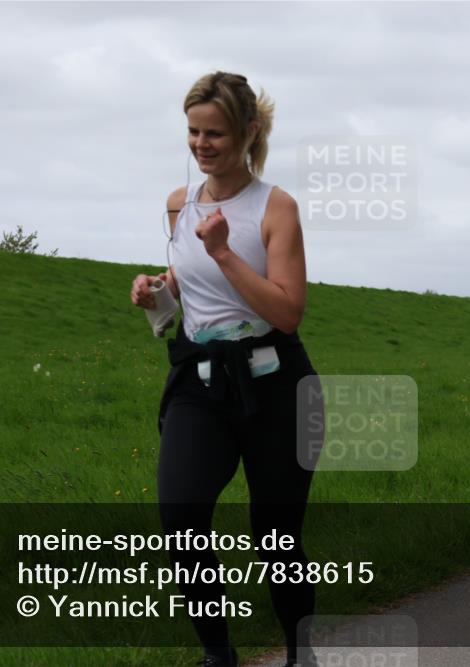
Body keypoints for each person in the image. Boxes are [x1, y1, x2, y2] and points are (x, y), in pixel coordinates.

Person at [131, 71, 321, 667]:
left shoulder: (276, 207)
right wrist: (157, 294)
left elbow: (286, 312)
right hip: (200, 381)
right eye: (193, 131)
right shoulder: (177, 204)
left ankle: (299, 651)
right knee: (181, 516)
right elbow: (194, 294)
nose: (201, 144)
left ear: (249, 132)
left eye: (215, 132)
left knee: (276, 536)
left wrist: (221, 251)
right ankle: (219, 654)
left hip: (276, 384)